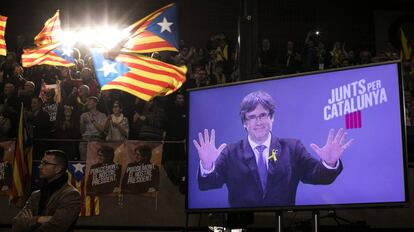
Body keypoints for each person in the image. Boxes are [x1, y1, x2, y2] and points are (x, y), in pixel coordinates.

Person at [193, 90, 354, 207]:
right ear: (244, 123)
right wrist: (207, 167)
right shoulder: (230, 152)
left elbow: (318, 176)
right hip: (242, 223)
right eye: (252, 117)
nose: (258, 122)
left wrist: (329, 163)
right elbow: (208, 185)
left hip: (283, 222)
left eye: (263, 115)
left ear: (272, 118)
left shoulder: (293, 148)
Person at [12, 150, 81, 232]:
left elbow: (56, 227)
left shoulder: (71, 194)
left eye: (45, 163)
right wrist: (39, 219)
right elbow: (16, 224)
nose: (40, 166)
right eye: (41, 163)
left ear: (58, 169)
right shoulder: (36, 194)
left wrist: (31, 220)